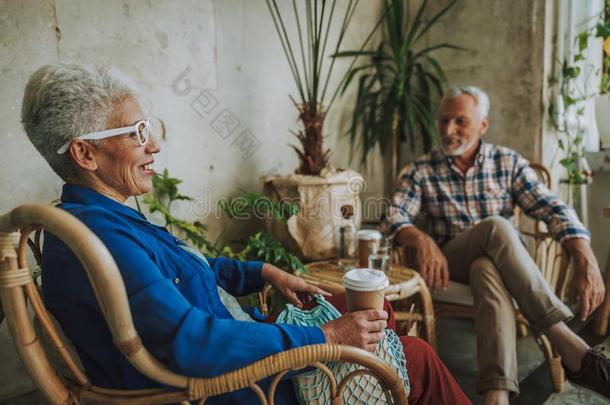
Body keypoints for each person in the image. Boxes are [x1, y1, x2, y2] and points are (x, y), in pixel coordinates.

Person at [21, 63, 470, 404]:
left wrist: (260, 271)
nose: (154, 144)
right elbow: (191, 343)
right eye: (138, 133)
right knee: (415, 355)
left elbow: (179, 272)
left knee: (377, 314)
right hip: (236, 387)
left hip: (233, 344)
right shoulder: (102, 243)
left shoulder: (99, 219)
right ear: (85, 153)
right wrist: (329, 339)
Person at [385, 85, 610, 404]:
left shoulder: (507, 163)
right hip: (451, 263)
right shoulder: (423, 169)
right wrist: (418, 237)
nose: (449, 130)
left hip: (502, 266)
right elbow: (394, 215)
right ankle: (566, 341)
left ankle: (497, 394)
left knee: (486, 267)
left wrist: (585, 257)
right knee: (497, 226)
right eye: (444, 121)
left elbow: (554, 208)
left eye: (460, 121)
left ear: (483, 125)